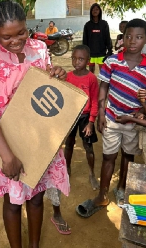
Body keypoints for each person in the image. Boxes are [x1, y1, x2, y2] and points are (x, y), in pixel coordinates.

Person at [0, 0, 71, 247]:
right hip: (7, 141)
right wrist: (6, 156)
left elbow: (49, 87)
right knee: (13, 201)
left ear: (27, 25)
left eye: (21, 32)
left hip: (39, 138)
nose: (16, 40)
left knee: (37, 198)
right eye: (6, 37)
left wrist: (57, 75)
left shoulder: (40, 49)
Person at [76, 18, 146, 217]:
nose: (133, 41)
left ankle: (122, 189)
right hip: (111, 118)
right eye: (129, 36)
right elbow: (104, 87)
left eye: (139, 37)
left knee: (128, 155)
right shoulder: (112, 61)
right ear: (122, 38)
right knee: (108, 156)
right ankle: (102, 195)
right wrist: (100, 112)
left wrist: (142, 111)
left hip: (133, 123)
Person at [64, 45, 99, 190]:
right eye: (74, 58)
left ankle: (91, 173)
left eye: (80, 59)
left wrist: (91, 122)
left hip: (85, 117)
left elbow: (95, 101)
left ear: (88, 61)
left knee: (88, 146)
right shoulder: (68, 77)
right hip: (71, 116)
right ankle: (67, 169)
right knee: (69, 144)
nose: (76, 62)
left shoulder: (91, 78)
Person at [82, 3, 112, 73]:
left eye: (97, 9)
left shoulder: (104, 24)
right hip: (90, 53)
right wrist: (84, 51)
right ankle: (92, 83)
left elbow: (107, 37)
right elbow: (85, 39)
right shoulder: (87, 25)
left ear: (100, 11)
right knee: (91, 70)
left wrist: (109, 49)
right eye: (93, 9)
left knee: (103, 71)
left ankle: (102, 83)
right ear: (91, 11)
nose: (95, 11)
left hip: (101, 52)